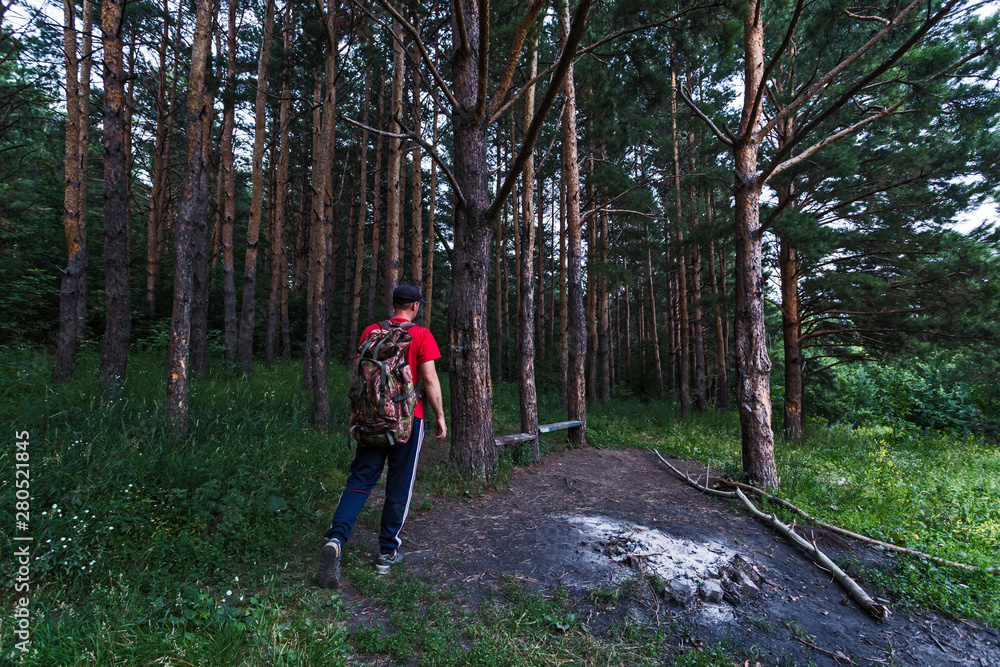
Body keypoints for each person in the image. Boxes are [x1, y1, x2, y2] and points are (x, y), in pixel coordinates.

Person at [317, 284, 447, 589]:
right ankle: (387, 552)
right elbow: (428, 378)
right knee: (399, 485)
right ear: (415, 306)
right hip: (407, 423)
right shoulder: (422, 335)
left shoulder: (372, 330)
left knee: (360, 480)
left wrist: (355, 413)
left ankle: (336, 539)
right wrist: (440, 416)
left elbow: (360, 375)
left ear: (394, 304)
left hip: (371, 418)